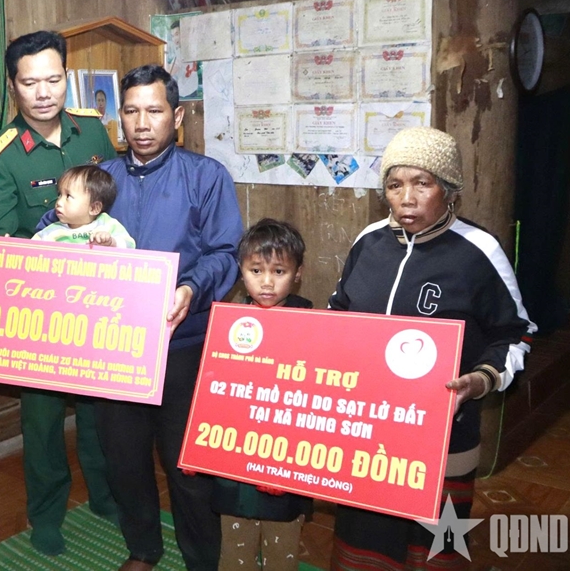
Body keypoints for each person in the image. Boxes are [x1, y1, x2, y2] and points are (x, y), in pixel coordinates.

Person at [328, 127, 536, 570]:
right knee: (365, 545)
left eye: (422, 183)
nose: (406, 199)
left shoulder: (479, 251)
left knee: (437, 548)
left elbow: (516, 334)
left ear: (450, 189)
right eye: (394, 185)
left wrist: (480, 380)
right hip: (364, 434)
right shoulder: (368, 243)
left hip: (444, 437)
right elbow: (337, 315)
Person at [90, 64, 242, 571]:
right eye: (131, 111)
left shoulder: (206, 176)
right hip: (114, 349)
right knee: (124, 459)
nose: (142, 123)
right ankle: (143, 549)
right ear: (119, 117)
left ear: (176, 117)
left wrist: (191, 288)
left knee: (188, 465)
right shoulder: (101, 180)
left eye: (154, 111)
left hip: (184, 343)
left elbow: (226, 252)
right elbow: (58, 229)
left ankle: (202, 559)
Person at [0, 30, 119, 556]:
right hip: (40, 312)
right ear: (12, 86)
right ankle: (46, 514)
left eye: (54, 80)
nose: (43, 92)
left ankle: (106, 495)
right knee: (42, 420)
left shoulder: (92, 131)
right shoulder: (1, 156)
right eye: (30, 82)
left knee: (101, 413)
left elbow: (116, 203)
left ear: (66, 77)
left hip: (100, 305)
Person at [212, 218, 313, 570]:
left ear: (297, 273)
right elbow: (213, 392)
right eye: (256, 270)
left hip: (286, 457)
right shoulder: (228, 324)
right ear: (241, 272)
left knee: (282, 548)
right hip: (235, 458)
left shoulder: (313, 324)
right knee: (234, 549)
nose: (267, 282)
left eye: (279, 271)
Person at [33, 165, 135, 248]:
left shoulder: (107, 224)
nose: (59, 202)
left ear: (94, 208)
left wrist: (111, 243)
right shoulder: (52, 232)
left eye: (68, 196)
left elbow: (130, 245)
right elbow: (30, 250)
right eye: (60, 195)